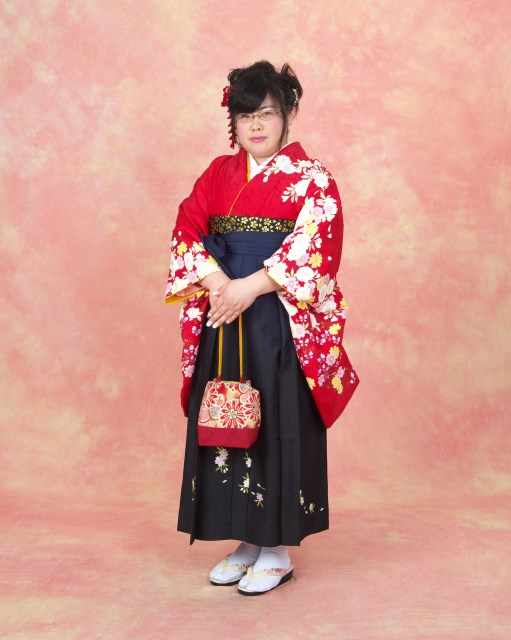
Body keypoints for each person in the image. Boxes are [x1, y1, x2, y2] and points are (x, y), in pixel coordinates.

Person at [165, 60, 359, 595]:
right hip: (223, 311)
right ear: (233, 121)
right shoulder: (216, 174)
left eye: (267, 114)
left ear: (288, 114)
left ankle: (276, 548)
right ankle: (246, 540)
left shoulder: (313, 179)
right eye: (246, 115)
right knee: (225, 414)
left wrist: (249, 287)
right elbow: (187, 227)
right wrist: (216, 282)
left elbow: (317, 248)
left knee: (277, 416)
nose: (256, 125)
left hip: (277, 313)